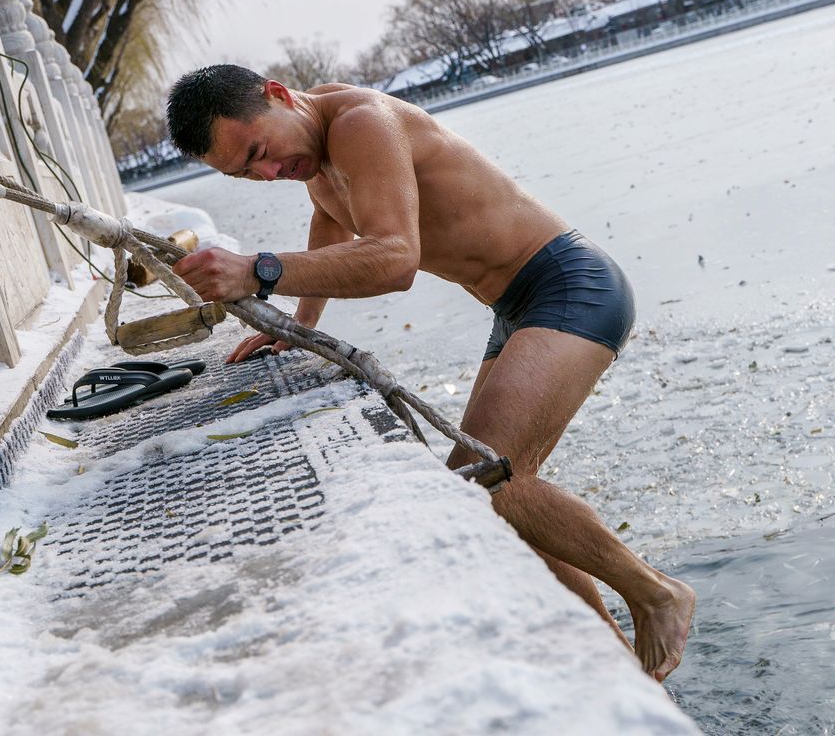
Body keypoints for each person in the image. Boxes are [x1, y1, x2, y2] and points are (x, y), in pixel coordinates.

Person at [165, 64, 695, 681]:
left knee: (485, 480)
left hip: (567, 284)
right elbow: (329, 221)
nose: (265, 173)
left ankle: (657, 594)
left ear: (279, 96)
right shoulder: (314, 147)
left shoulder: (362, 123)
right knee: (501, 483)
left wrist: (258, 268)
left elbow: (395, 260)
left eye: (259, 152)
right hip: (513, 307)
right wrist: (293, 325)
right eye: (244, 173)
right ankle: (612, 658)